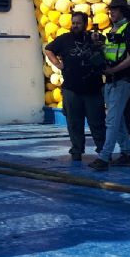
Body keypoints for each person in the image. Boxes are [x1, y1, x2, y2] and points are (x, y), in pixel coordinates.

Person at [89, 0, 130, 171]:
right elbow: (112, 53)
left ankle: (104, 157)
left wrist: (114, 70)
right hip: (112, 80)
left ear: (122, 11)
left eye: (114, 9)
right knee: (118, 119)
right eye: (110, 10)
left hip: (123, 79)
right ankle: (127, 154)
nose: (111, 12)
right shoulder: (114, 29)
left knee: (112, 121)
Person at [45, 11, 106, 161]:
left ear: (85, 24)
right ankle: (77, 151)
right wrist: (58, 64)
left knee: (97, 122)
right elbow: (48, 49)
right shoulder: (64, 39)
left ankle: (103, 152)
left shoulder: (95, 37)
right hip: (71, 89)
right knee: (74, 123)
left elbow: (106, 49)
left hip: (93, 89)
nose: (75, 26)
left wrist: (99, 42)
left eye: (78, 23)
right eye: (73, 23)